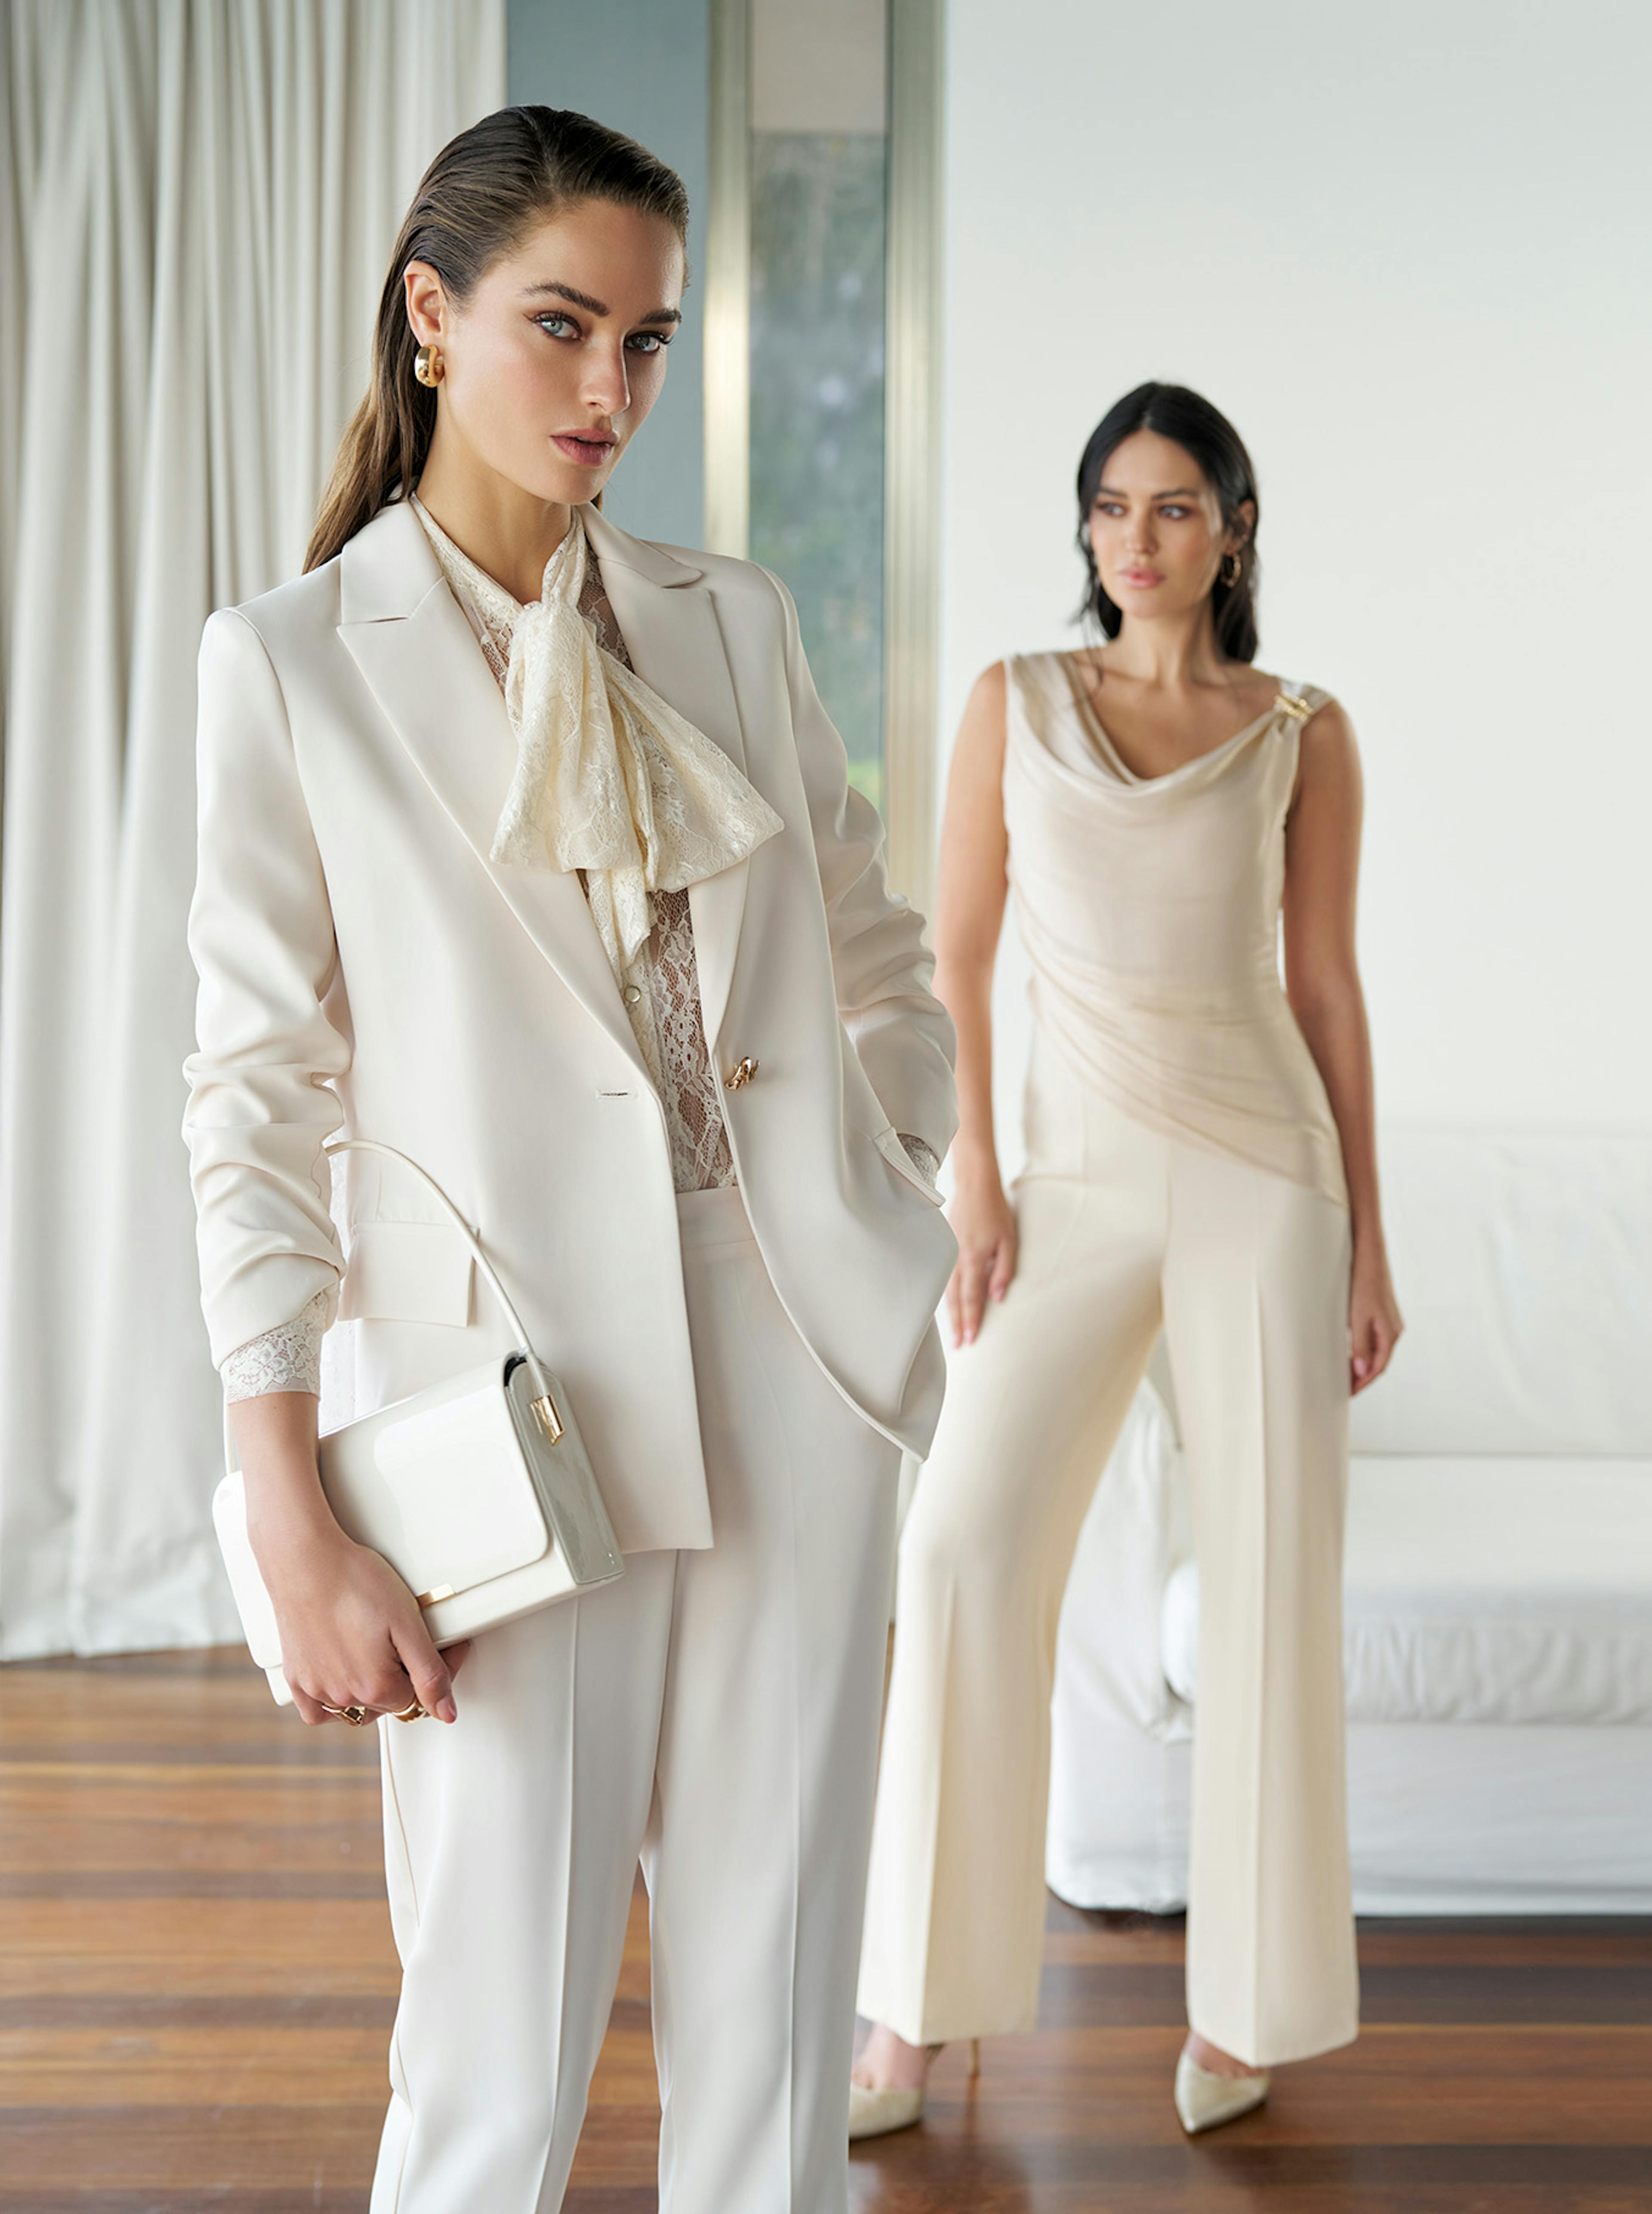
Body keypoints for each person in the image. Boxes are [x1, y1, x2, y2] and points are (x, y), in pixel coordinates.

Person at [182, 107, 957, 2214]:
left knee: (777, 2055)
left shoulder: (731, 619)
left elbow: (880, 950)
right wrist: (286, 1503)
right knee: (495, 2061)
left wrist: (903, 1174)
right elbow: (254, 1098)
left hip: (799, 1362)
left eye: (650, 341)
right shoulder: (287, 669)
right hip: (516, 1416)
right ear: (432, 321)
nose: (612, 391)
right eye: (561, 328)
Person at [850, 382, 1403, 2140]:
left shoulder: (1301, 729)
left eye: (1174, 508)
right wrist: (977, 1184)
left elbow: (1324, 989)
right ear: (1084, 527)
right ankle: (913, 2019)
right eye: (1111, 506)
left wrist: (1369, 1239)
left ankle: (1246, 2018)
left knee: (1265, 1589)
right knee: (959, 1548)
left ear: (1233, 527)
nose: (1136, 539)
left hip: (1267, 1176)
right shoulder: (1014, 704)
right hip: (1064, 1185)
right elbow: (956, 954)